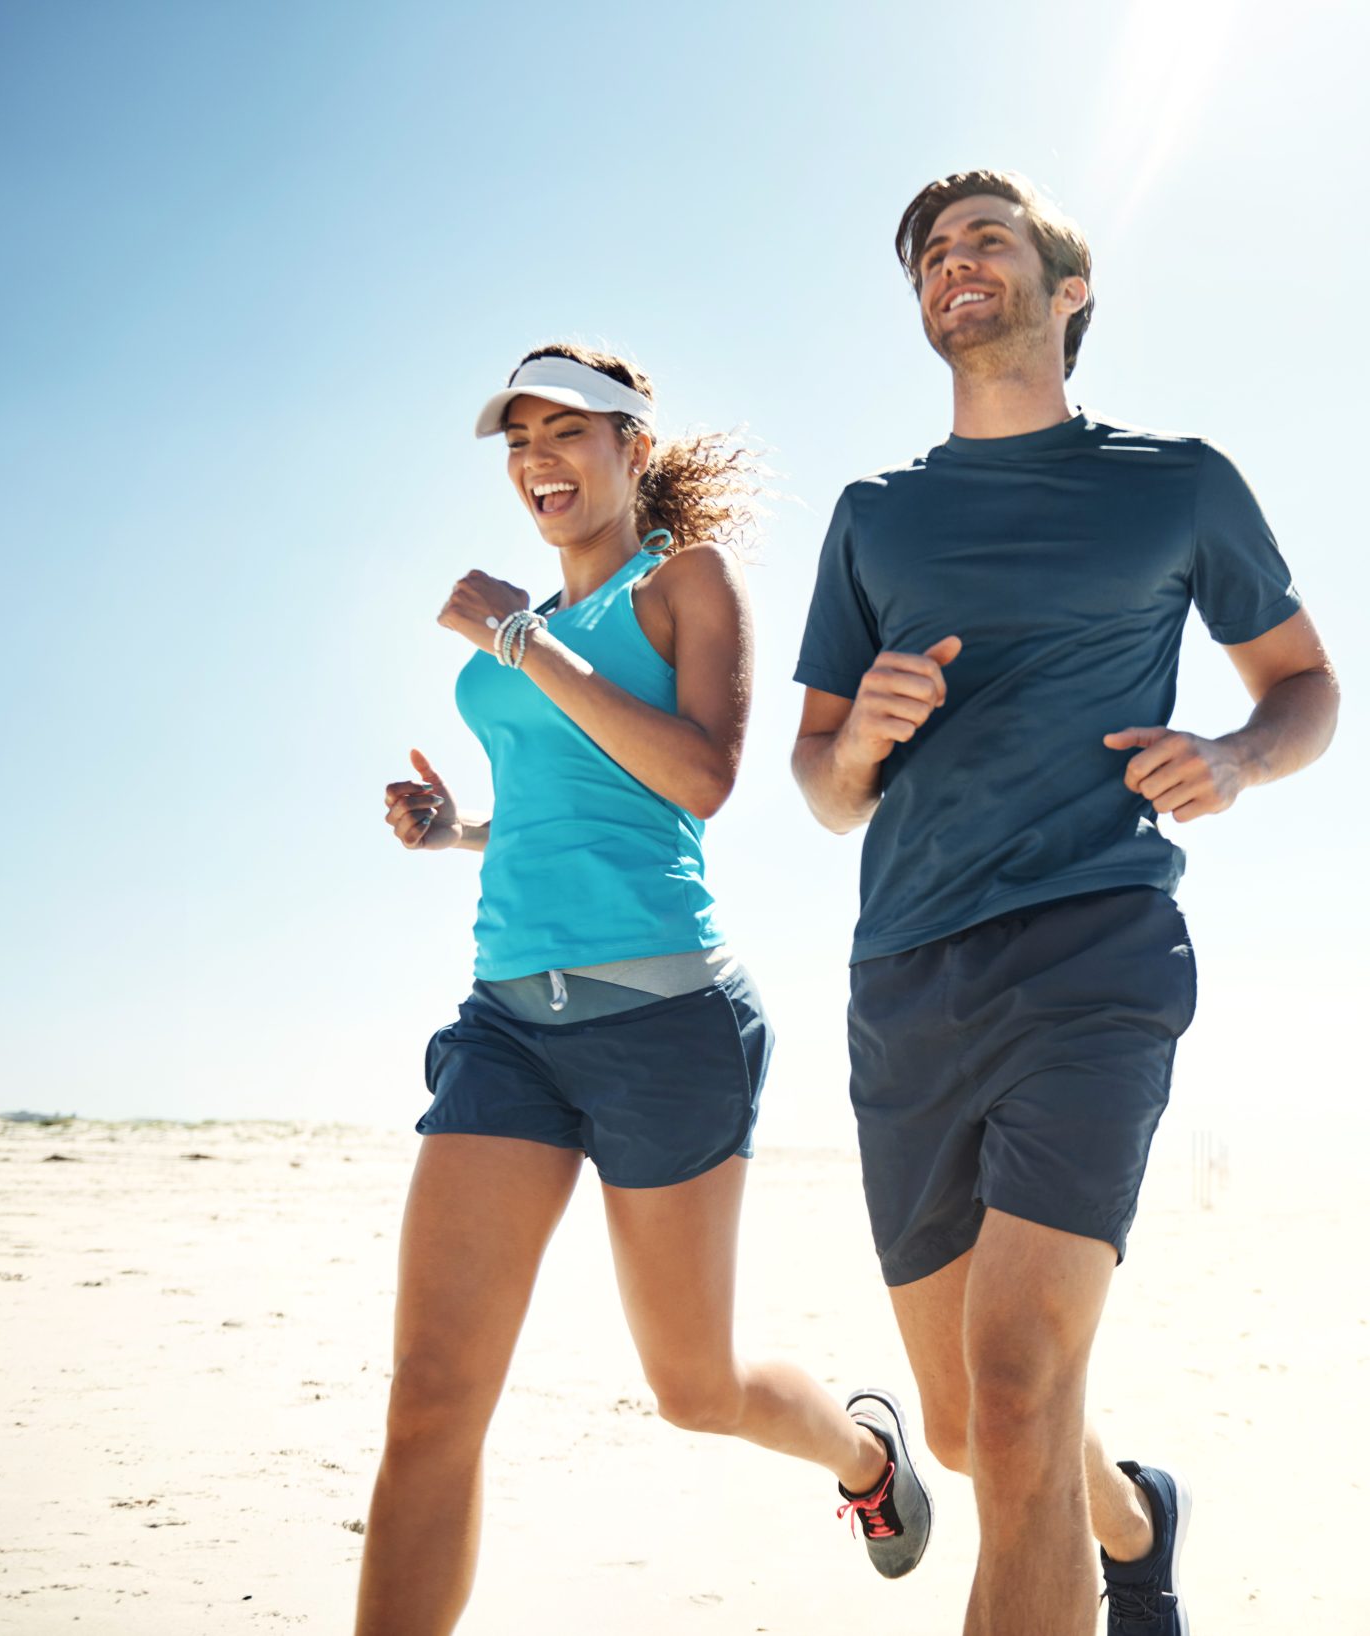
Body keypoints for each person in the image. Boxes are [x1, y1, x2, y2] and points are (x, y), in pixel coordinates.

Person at [791, 171, 1340, 1636]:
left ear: (1069, 290)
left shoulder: (1176, 482)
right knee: (976, 1430)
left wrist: (1233, 757)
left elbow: (1305, 686)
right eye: (926, 255)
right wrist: (858, 741)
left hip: (1095, 948)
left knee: (1023, 1390)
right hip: (906, 973)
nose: (949, 263)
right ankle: (1138, 1522)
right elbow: (819, 784)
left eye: (985, 239)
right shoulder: (872, 519)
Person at [357, 344, 932, 1635]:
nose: (538, 462)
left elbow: (697, 778)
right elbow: (573, 813)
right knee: (432, 1396)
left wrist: (518, 639)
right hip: (508, 1026)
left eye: (568, 433)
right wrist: (459, 831)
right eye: (519, 442)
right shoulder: (537, 631)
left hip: (667, 1028)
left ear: (633, 448)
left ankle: (865, 1459)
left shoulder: (684, 585)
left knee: (691, 1388)